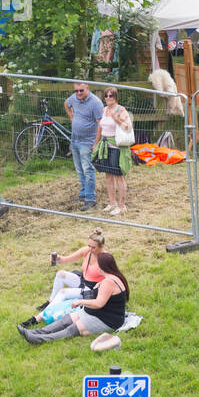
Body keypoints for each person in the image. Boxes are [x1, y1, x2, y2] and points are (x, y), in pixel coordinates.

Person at [18, 252, 129, 344]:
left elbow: (99, 303)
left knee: (71, 329)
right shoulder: (111, 277)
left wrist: (80, 301)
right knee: (65, 321)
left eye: (97, 264)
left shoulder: (109, 282)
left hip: (106, 320)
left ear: (103, 266)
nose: (95, 267)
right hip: (97, 313)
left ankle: (37, 339)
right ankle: (35, 332)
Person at [65, 83, 104, 211]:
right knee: (79, 169)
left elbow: (100, 124)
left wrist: (96, 143)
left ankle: (90, 198)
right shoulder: (75, 98)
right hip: (75, 139)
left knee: (88, 169)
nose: (78, 93)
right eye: (76, 91)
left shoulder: (96, 103)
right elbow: (67, 103)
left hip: (88, 142)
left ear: (88, 89)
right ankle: (84, 192)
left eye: (81, 90)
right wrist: (72, 117)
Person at [96, 88, 133, 217]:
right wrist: (96, 143)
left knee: (118, 176)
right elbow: (100, 127)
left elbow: (127, 127)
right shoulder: (104, 110)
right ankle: (112, 203)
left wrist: (116, 119)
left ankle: (122, 206)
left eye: (111, 95)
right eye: (106, 95)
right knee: (108, 175)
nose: (108, 97)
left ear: (116, 97)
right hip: (106, 146)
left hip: (117, 147)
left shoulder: (121, 110)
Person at [46, 229, 107, 306]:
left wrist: (100, 285)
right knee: (60, 274)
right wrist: (58, 258)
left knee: (63, 292)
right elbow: (66, 259)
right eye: (89, 246)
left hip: (92, 289)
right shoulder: (87, 251)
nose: (90, 249)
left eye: (93, 247)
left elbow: (113, 278)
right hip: (83, 281)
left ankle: (45, 314)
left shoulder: (106, 258)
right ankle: (51, 302)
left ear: (102, 246)